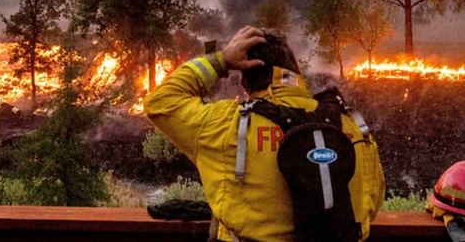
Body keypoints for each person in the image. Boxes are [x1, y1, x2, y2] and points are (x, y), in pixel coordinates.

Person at [145, 26, 384, 242]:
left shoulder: (226, 124)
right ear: (297, 72)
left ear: (246, 81)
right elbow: (370, 205)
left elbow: (161, 102)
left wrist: (222, 61)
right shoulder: (351, 125)